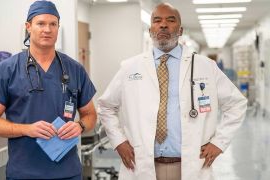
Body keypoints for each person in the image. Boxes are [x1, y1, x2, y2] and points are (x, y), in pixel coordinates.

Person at [98, 3, 247, 180]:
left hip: (188, 166)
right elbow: (106, 106)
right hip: (142, 166)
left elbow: (236, 104)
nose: (163, 25)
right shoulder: (130, 67)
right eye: (157, 20)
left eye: (170, 20)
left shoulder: (205, 66)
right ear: (150, 28)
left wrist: (219, 143)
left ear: (180, 30)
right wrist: (119, 142)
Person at [0, 1, 97, 179]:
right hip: (23, 173)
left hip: (68, 173)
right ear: (28, 27)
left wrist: (80, 126)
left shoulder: (74, 70)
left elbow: (90, 115)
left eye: (53, 24)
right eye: (41, 23)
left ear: (58, 28)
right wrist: (26, 129)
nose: (47, 29)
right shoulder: (7, 70)